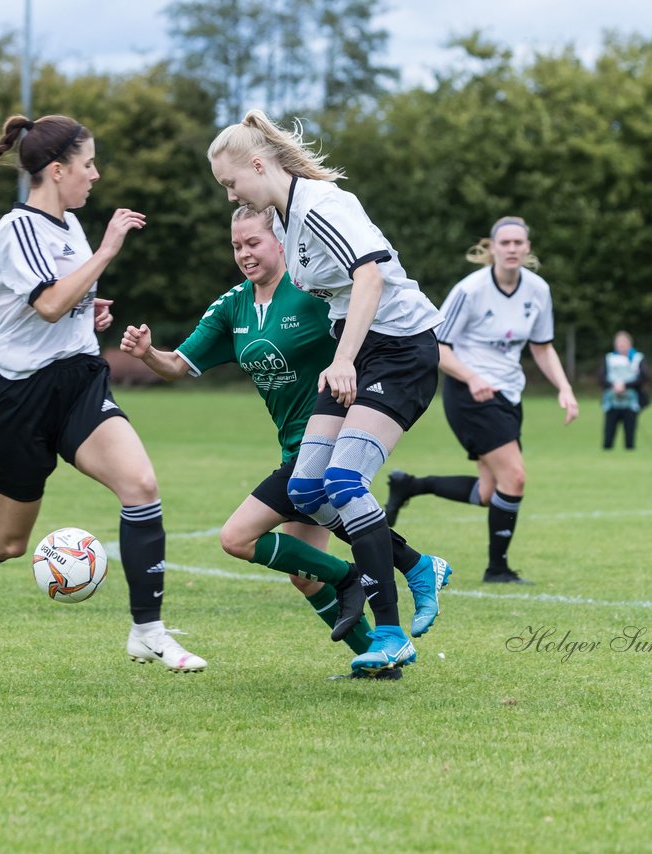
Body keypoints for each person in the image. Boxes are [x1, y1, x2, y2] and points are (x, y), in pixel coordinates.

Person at [0, 113, 205, 672]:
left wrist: (88, 313)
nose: (95, 175)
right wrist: (107, 251)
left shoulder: (71, 225)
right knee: (7, 541)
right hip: (18, 401)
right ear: (56, 169)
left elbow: (61, 305)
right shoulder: (16, 227)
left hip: (77, 382)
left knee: (141, 486)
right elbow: (45, 303)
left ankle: (148, 631)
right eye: (88, 164)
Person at [120, 205, 453, 679]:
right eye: (236, 246)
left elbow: (373, 313)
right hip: (295, 449)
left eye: (253, 243)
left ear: (281, 241)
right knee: (303, 575)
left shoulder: (315, 292)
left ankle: (363, 575)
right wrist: (148, 353)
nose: (244, 254)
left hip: (327, 440)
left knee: (237, 537)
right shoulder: (232, 306)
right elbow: (179, 365)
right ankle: (381, 665)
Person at [207, 111, 444, 675]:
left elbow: (370, 276)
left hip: (400, 350)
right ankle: (417, 564)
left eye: (231, 182)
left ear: (259, 165)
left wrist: (341, 359)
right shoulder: (287, 221)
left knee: (343, 480)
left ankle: (389, 633)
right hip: (361, 351)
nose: (229, 194)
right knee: (308, 488)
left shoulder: (321, 206)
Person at [384, 216, 579, 585]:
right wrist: (472, 377)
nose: (511, 249)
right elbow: (436, 346)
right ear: (491, 248)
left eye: (518, 243)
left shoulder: (537, 290)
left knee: (491, 492)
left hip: (508, 394)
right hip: (469, 394)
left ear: (527, 248)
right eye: (504, 243)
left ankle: (410, 485)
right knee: (515, 477)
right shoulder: (470, 291)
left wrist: (564, 388)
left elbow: (542, 347)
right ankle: (498, 569)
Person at [600, 330, 648, 450]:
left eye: (624, 343)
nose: (621, 346)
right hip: (612, 401)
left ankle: (630, 455)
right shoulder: (609, 358)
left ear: (630, 344)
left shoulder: (637, 359)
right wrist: (614, 386)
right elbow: (601, 377)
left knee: (630, 435)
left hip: (631, 402)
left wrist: (625, 386)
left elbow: (644, 376)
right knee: (608, 434)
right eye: (619, 343)